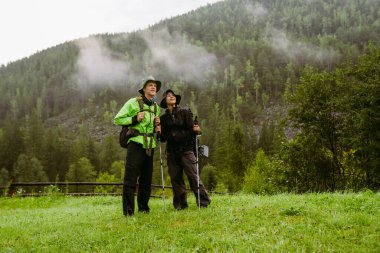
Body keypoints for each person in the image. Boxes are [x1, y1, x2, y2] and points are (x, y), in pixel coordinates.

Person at [114, 76, 161, 216]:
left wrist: (157, 126)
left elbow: (153, 127)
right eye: (150, 85)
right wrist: (134, 119)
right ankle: (128, 212)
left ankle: (144, 209)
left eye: (155, 86)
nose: (153, 87)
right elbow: (117, 119)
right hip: (135, 144)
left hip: (150, 145)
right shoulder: (133, 102)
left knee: (146, 179)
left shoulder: (156, 108)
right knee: (131, 179)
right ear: (144, 89)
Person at [159, 89, 211, 210]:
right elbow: (162, 138)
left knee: (193, 176)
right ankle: (180, 205)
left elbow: (193, 130)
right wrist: (158, 130)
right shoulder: (163, 119)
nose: (171, 97)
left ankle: (204, 202)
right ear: (165, 101)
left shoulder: (185, 112)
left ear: (176, 100)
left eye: (173, 96)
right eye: (168, 96)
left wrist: (198, 130)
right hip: (172, 152)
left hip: (187, 150)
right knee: (175, 179)